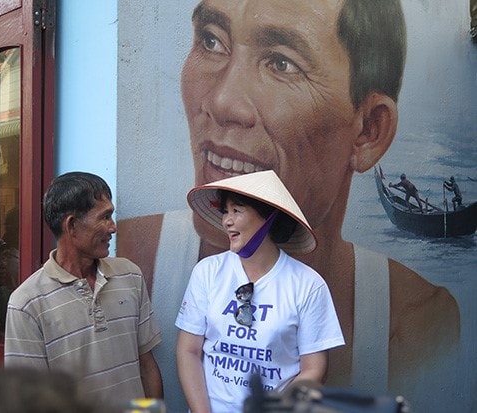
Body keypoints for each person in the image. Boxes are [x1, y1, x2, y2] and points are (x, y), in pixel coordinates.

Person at [117, 0, 460, 406]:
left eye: (282, 64)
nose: (223, 102)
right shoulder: (139, 265)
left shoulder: (418, 321)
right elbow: (188, 351)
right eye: (212, 41)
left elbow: (313, 366)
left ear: (369, 129)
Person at [175, 171, 345, 412]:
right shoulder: (208, 272)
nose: (226, 221)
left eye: (237, 210)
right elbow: (188, 350)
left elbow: (314, 368)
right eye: (225, 211)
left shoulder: (307, 285)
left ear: (269, 218)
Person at [4, 172, 163, 410]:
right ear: (72, 225)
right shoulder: (27, 303)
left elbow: (146, 363)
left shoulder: (129, 275)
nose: (113, 227)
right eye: (105, 217)